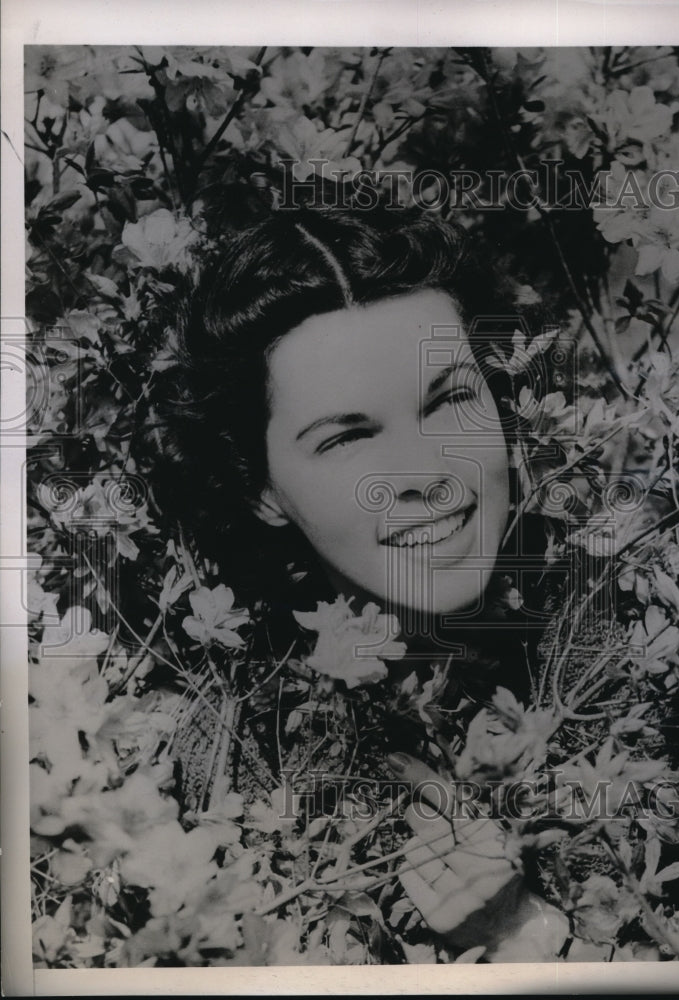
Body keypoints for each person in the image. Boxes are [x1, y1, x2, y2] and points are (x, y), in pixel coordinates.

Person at [159, 205, 598, 962]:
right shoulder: (223, 761)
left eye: (451, 400)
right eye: (349, 437)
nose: (426, 473)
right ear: (259, 489)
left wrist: (526, 936)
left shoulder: (641, 639)